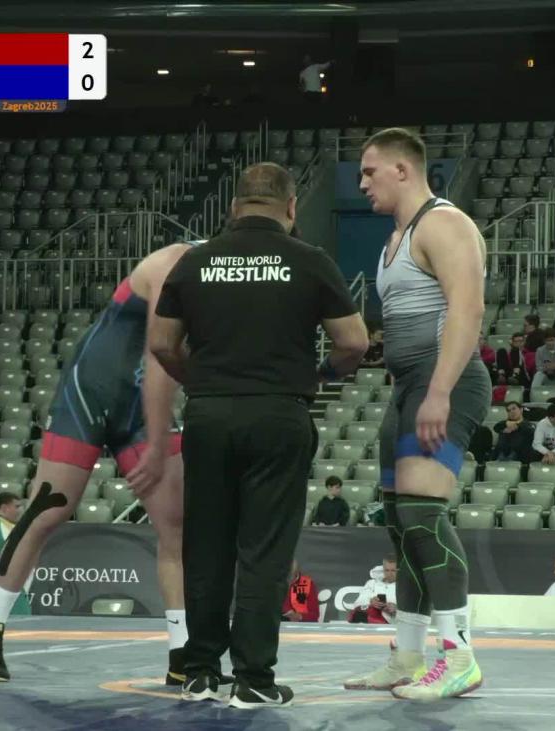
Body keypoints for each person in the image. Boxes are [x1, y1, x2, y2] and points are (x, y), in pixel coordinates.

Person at [151, 161, 368, 708]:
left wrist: (199, 381)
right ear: (291, 207)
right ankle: (253, 680)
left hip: (209, 414)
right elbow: (354, 342)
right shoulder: (309, 259)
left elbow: (160, 343)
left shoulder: (195, 261)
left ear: (234, 205)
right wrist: (322, 375)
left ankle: (200, 672)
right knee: (264, 550)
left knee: (205, 546)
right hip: (278, 412)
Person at [0, 235, 197, 686]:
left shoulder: (225, 284)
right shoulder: (173, 262)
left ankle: (181, 654)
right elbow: (159, 351)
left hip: (140, 404)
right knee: (47, 510)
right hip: (89, 396)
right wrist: (156, 443)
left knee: (176, 525)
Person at [342, 127, 488, 701]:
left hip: (444, 382)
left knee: (424, 517)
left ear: (402, 170)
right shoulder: (394, 240)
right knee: (402, 525)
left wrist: (440, 391)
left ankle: (460, 657)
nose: (361, 183)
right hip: (408, 386)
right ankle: (407, 656)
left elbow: (467, 309)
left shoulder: (444, 224)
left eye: (369, 171)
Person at [349, 557, 398, 624]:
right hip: (370, 622)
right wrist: (371, 602)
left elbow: (410, 613)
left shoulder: (404, 587)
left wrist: (396, 609)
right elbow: (358, 603)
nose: (390, 574)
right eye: (387, 570)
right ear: (383, 569)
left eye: (393, 570)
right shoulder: (372, 583)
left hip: (393, 623)